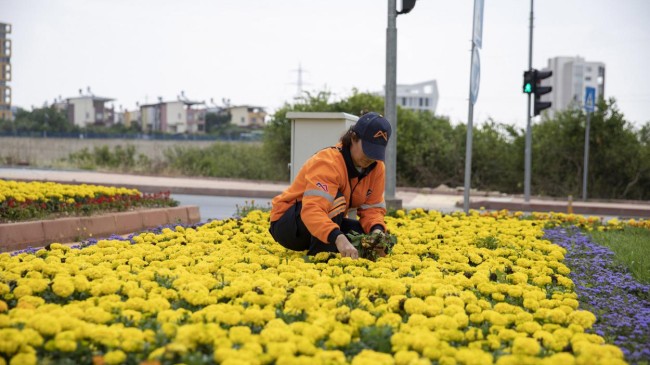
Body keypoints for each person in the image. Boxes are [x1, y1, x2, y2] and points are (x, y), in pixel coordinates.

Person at [268, 112, 392, 259]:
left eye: (376, 152)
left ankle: (335, 249)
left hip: (322, 221)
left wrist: (376, 231)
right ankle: (321, 258)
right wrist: (338, 238)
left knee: (380, 241)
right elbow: (312, 210)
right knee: (336, 200)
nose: (371, 157)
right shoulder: (328, 162)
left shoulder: (377, 167)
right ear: (353, 138)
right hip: (289, 224)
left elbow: (373, 209)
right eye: (368, 150)